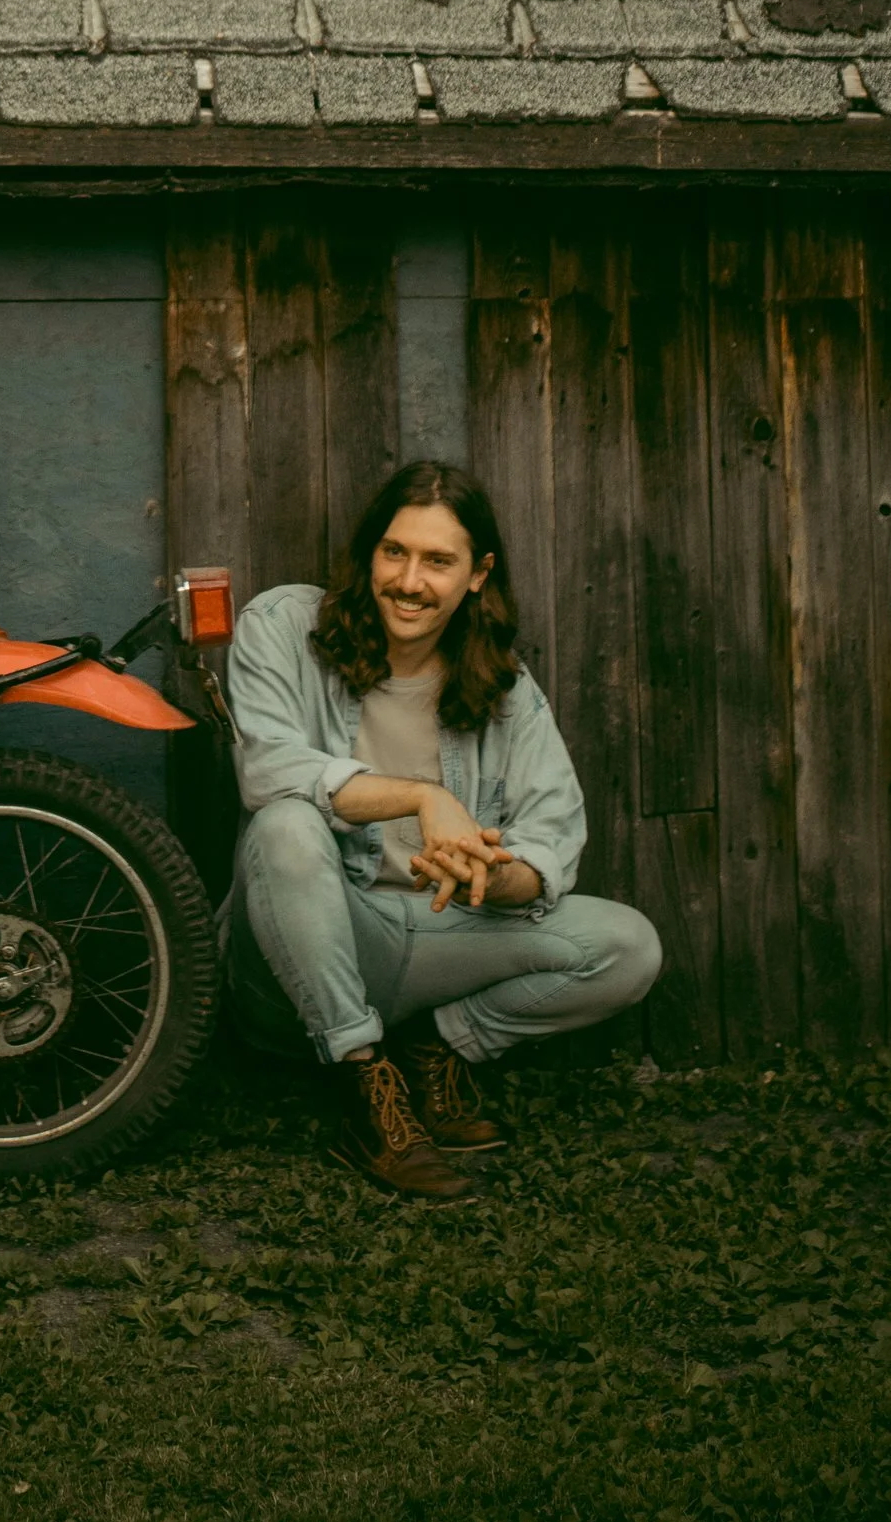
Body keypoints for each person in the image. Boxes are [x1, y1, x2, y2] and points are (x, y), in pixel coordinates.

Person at [225, 459, 661, 1202]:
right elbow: (266, 770)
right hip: (300, 951)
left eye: (438, 561)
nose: (409, 581)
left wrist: (487, 871)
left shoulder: (505, 690)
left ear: (478, 575)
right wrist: (424, 799)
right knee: (287, 826)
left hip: (431, 937)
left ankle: (435, 1049)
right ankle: (364, 1088)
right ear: (369, 554)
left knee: (627, 946)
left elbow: (552, 842)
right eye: (394, 552)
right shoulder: (283, 626)